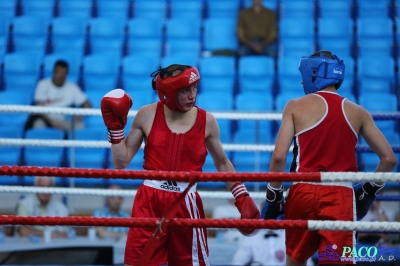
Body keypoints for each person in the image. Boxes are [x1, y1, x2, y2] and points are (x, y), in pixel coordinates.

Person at [100, 64, 260, 265]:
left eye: (194, 88)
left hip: (186, 202)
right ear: (167, 92)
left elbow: (222, 162)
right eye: (185, 90)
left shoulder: (206, 121)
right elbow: (120, 161)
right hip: (149, 201)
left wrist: (242, 196)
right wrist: (115, 130)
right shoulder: (147, 114)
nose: (192, 95)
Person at [261, 50, 397, 265]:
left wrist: (273, 194)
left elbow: (279, 157)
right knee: (335, 261)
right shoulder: (358, 112)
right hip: (339, 195)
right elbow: (389, 159)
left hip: (302, 191)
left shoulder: (295, 106)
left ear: (313, 73)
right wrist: (370, 190)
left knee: (295, 260)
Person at [24, 60, 92, 133]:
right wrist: (52, 123)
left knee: (80, 126)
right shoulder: (43, 84)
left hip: (61, 121)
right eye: (58, 72)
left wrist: (79, 117)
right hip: (45, 119)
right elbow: (40, 107)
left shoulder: (72, 87)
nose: (61, 76)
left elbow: (88, 104)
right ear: (54, 72)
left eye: (64, 73)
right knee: (38, 125)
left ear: (67, 74)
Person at [232, 229, 315, 266]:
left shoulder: (293, 236)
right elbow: (237, 263)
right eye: (267, 213)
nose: (270, 216)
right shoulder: (251, 238)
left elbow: (309, 264)